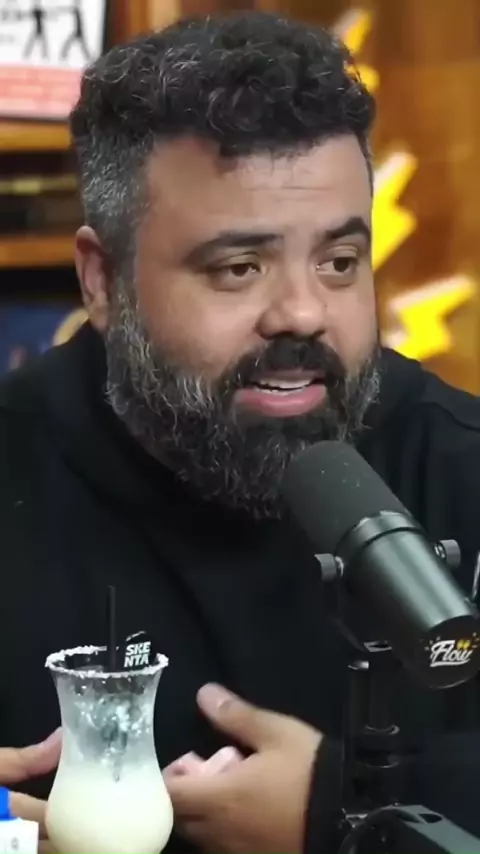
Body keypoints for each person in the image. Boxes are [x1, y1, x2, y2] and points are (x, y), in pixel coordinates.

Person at [2, 10, 480, 853]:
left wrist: (339, 812)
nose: (303, 312)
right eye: (239, 267)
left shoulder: (459, 461)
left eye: (339, 262)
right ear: (103, 280)